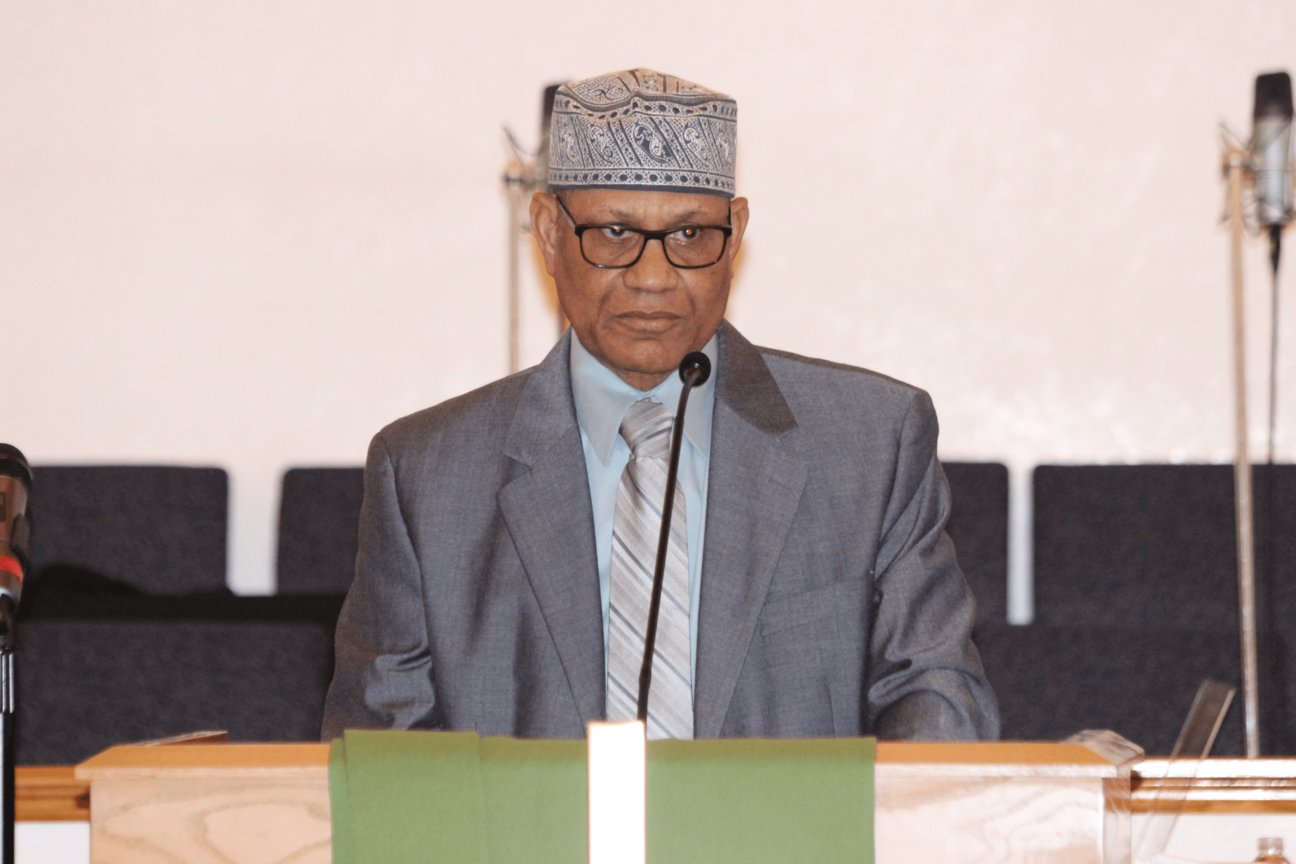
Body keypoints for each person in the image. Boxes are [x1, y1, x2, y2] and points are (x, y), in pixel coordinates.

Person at [322, 68, 999, 742]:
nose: (653, 278)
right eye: (615, 234)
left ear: (735, 233)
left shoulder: (871, 446)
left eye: (690, 236)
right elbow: (385, 762)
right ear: (550, 232)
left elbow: (936, 706)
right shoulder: (427, 477)